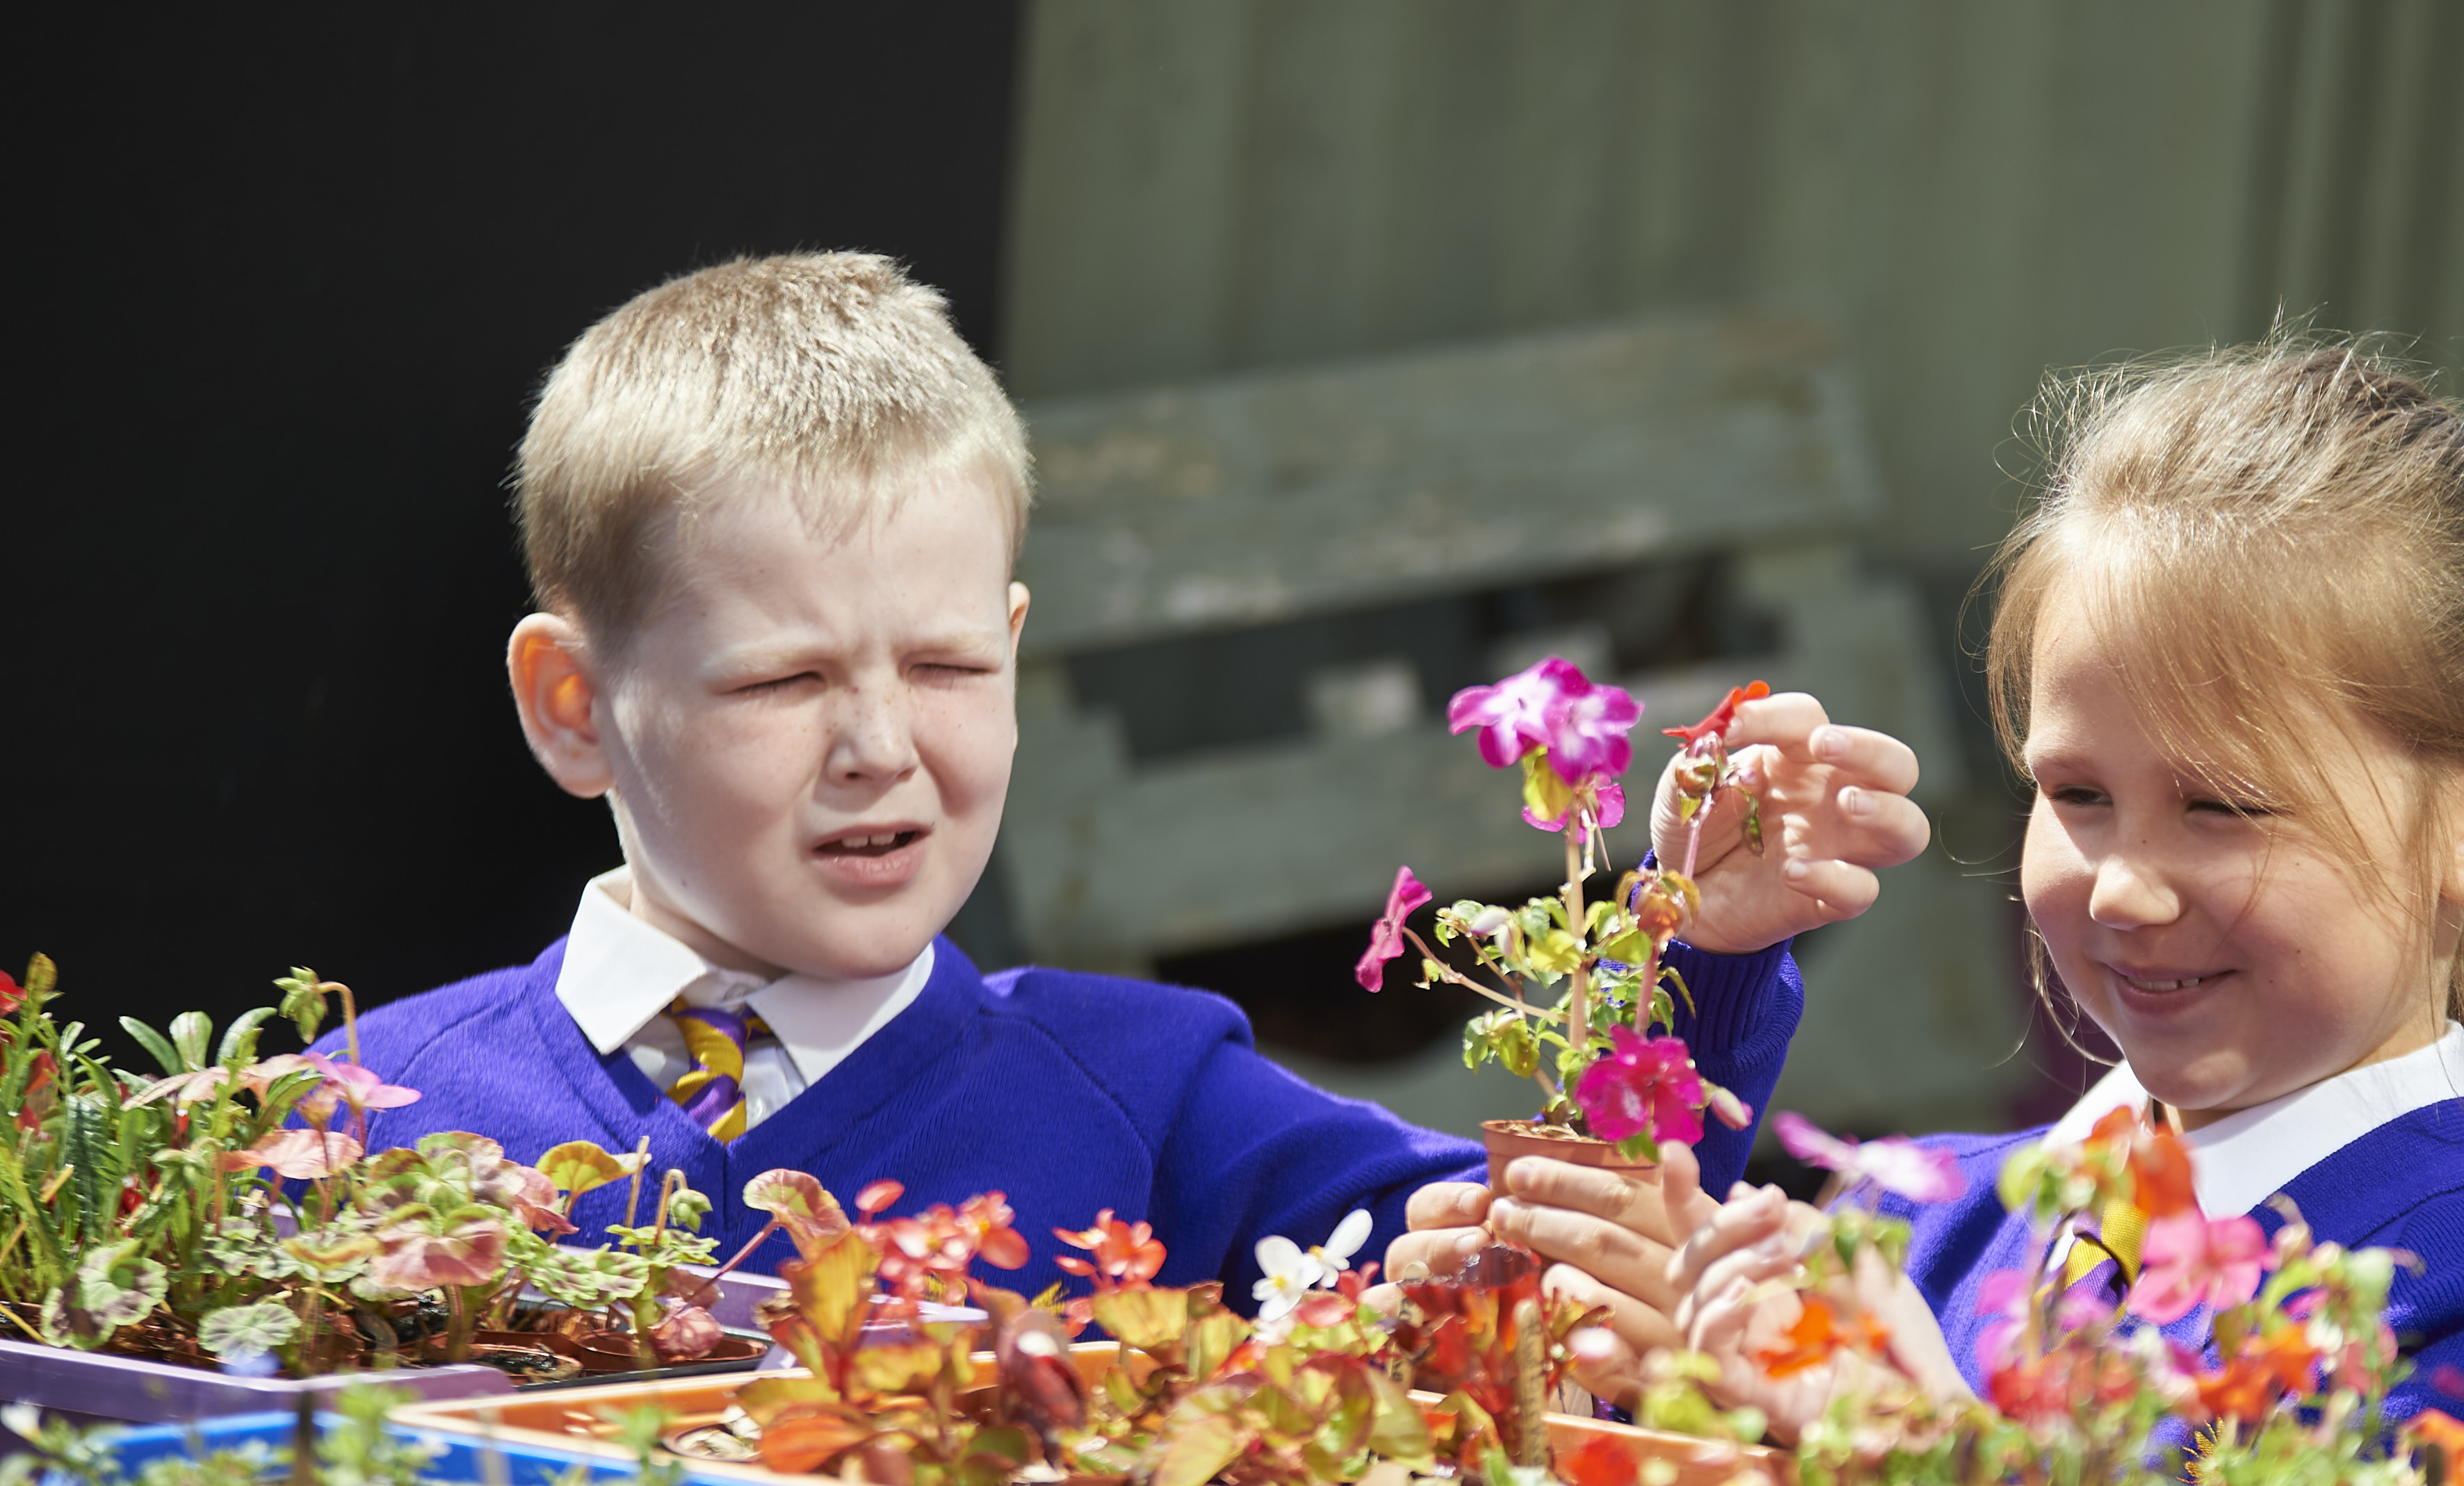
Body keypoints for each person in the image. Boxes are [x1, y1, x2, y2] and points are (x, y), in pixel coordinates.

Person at [349, 252, 1932, 1293]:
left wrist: (1686, 963)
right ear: (572, 705)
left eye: (952, 665)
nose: (881, 745)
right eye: (786, 677)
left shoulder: (1150, 1097)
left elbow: (1544, 1287)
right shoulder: (354, 1119)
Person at [1412, 340, 2464, 1426]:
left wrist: (1920, 1457)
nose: (2125, 890)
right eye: (2077, 795)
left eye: (2224, 808)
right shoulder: (1916, 1225)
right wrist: (1705, 965)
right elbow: (1590, 1481)